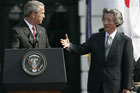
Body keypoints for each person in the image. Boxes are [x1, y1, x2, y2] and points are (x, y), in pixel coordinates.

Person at [60, 8, 134, 93]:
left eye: (109, 20)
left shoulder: (125, 40)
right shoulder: (95, 38)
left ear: (116, 22)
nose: (105, 23)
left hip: (115, 86)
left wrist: (127, 87)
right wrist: (70, 46)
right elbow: (81, 49)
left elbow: (128, 66)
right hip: (95, 85)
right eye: (104, 19)